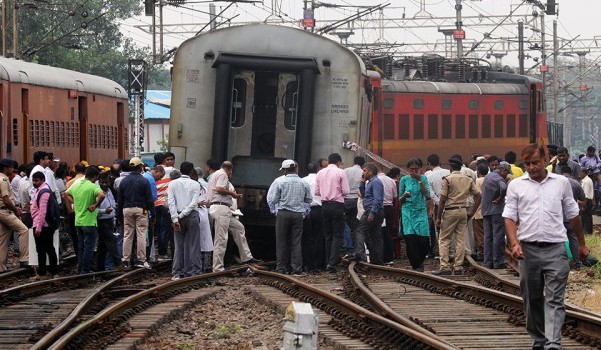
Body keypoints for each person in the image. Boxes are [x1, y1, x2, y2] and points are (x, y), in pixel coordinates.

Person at [504, 143, 588, 350]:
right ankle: (539, 339)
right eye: (527, 164)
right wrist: (514, 243)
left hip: (556, 249)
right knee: (531, 299)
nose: (532, 168)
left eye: (535, 163)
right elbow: (509, 217)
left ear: (545, 159)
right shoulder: (516, 185)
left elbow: (573, 215)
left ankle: (552, 343)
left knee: (554, 299)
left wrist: (582, 245)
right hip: (528, 251)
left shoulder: (561, 183)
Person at [207, 161, 260, 272]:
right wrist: (233, 194)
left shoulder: (215, 174)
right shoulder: (222, 174)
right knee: (221, 239)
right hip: (221, 208)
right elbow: (219, 189)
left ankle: (246, 257)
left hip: (224, 209)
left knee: (239, 228)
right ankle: (217, 268)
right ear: (230, 170)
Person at [433, 157, 481, 275]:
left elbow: (443, 200)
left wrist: (439, 217)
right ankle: (458, 267)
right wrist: (472, 212)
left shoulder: (447, 180)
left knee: (444, 239)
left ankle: (444, 266)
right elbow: (479, 196)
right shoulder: (468, 180)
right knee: (461, 239)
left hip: (450, 211)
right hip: (463, 211)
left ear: (450, 167)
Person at [267, 160, 313, 275]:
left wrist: (275, 209)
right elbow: (309, 200)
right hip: (298, 215)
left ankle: (282, 268)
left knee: (282, 241)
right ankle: (296, 269)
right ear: (295, 168)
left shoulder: (279, 181)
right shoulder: (303, 182)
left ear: (285, 170)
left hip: (283, 214)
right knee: (296, 242)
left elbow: (273, 200)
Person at [65, 166, 104, 274]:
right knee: (89, 248)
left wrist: (74, 203)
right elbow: (102, 195)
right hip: (89, 222)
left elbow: (65, 194)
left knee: (81, 247)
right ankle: (85, 271)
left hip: (78, 221)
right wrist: (95, 205)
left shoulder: (76, 185)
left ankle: (80, 269)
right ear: (95, 176)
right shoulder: (92, 186)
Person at [315, 153, 350, 273]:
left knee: (328, 235)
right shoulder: (340, 172)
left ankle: (327, 262)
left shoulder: (320, 173)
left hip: (324, 206)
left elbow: (317, 191)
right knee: (337, 235)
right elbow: (346, 191)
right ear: (338, 162)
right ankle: (332, 263)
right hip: (337, 205)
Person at [117, 157, 155, 269]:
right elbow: (149, 200)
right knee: (141, 234)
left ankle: (126, 260)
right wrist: (153, 214)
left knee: (127, 235)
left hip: (126, 209)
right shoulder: (144, 181)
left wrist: (119, 215)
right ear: (140, 167)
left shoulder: (124, 181)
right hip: (141, 209)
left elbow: (120, 200)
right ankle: (141, 260)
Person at [168, 162, 202, 279]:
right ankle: (195, 272)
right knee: (194, 245)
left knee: (178, 246)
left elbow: (171, 203)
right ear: (192, 171)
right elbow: (193, 203)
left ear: (180, 170)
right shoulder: (196, 184)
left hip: (177, 217)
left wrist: (175, 218)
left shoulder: (172, 184)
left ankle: (177, 272)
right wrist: (182, 215)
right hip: (192, 216)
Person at [399, 158, 431, 271]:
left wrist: (419, 180)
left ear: (420, 169)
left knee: (423, 240)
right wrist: (404, 196)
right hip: (407, 212)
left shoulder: (424, 178)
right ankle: (416, 265)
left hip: (420, 211)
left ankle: (421, 259)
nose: (414, 171)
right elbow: (399, 199)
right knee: (410, 240)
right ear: (408, 169)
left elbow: (427, 195)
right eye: (411, 169)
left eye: (416, 169)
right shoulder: (404, 180)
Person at [481, 161, 511, 269]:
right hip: (496, 211)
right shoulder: (499, 178)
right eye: (506, 173)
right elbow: (503, 187)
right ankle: (498, 261)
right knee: (498, 236)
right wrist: (501, 198)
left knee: (488, 237)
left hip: (485, 210)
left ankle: (488, 262)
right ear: (503, 170)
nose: (506, 175)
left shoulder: (488, 177)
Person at [0, 159, 29, 271]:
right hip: (5, 211)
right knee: (23, 230)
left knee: (3, 240)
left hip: (1, 211)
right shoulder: (4, 179)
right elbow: (6, 200)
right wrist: (16, 210)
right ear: (5, 168)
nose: (12, 170)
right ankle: (24, 259)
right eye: (11, 167)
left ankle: (1, 268)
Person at [353, 163, 384, 264]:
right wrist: (362, 183)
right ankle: (377, 259)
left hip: (372, 210)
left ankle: (360, 253)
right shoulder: (370, 182)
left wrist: (372, 213)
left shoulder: (376, 182)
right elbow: (364, 195)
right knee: (373, 235)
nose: (363, 173)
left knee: (360, 230)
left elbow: (378, 199)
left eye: (365, 171)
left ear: (371, 171)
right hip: (373, 210)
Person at [30, 171, 58, 279]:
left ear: (42, 180)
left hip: (43, 226)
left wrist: (38, 228)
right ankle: (49, 272)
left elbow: (43, 211)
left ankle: (47, 273)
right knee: (44, 249)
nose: (34, 182)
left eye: (36, 180)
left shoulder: (44, 192)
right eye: (33, 180)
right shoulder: (42, 190)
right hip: (42, 225)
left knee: (45, 249)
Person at [95, 172, 124, 271]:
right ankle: (118, 263)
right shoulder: (96, 191)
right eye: (102, 182)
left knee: (102, 245)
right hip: (101, 220)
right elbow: (92, 209)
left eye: (106, 182)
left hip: (109, 220)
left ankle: (99, 267)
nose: (104, 184)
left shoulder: (109, 191)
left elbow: (112, 204)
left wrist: (114, 219)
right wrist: (104, 211)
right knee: (111, 241)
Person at [560, 165, 586, 269]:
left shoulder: (557, 183)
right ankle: (577, 262)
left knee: (559, 241)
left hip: (558, 217)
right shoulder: (575, 183)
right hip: (572, 217)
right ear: (571, 173)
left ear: (561, 172)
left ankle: (562, 263)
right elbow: (583, 198)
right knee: (573, 239)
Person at [301, 161, 325, 272]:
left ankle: (307, 263)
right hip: (319, 210)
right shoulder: (322, 179)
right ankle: (318, 264)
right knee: (319, 237)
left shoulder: (302, 180)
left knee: (306, 238)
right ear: (318, 169)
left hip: (306, 211)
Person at [425, 154, 449, 259]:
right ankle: (450, 252)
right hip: (450, 204)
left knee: (438, 229)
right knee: (450, 230)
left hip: (438, 206)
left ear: (429, 163)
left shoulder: (428, 176)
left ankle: (440, 252)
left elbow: (430, 194)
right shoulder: (448, 172)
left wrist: (439, 203)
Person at [343, 156, 365, 255]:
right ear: (362, 164)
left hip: (346, 199)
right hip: (357, 200)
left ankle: (348, 245)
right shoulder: (363, 172)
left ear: (354, 162)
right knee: (357, 224)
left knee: (346, 223)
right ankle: (357, 247)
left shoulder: (345, 170)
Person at [378, 168, 398, 264]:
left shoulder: (375, 180)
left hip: (379, 209)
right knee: (389, 233)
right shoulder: (391, 181)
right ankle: (389, 258)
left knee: (379, 233)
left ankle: (380, 257)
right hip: (389, 208)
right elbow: (395, 196)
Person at [472, 162, 489, 262]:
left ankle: (482, 253)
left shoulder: (477, 181)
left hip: (478, 211)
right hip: (488, 210)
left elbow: (477, 195)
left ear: (478, 171)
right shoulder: (489, 179)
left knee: (479, 234)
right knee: (487, 232)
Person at [580, 168, 594, 235]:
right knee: (587, 217)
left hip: (586, 201)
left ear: (583, 172)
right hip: (588, 201)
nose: (579, 174)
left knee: (586, 218)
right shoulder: (586, 180)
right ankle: (589, 231)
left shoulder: (586, 181)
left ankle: (587, 232)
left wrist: (583, 205)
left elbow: (586, 194)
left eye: (580, 173)